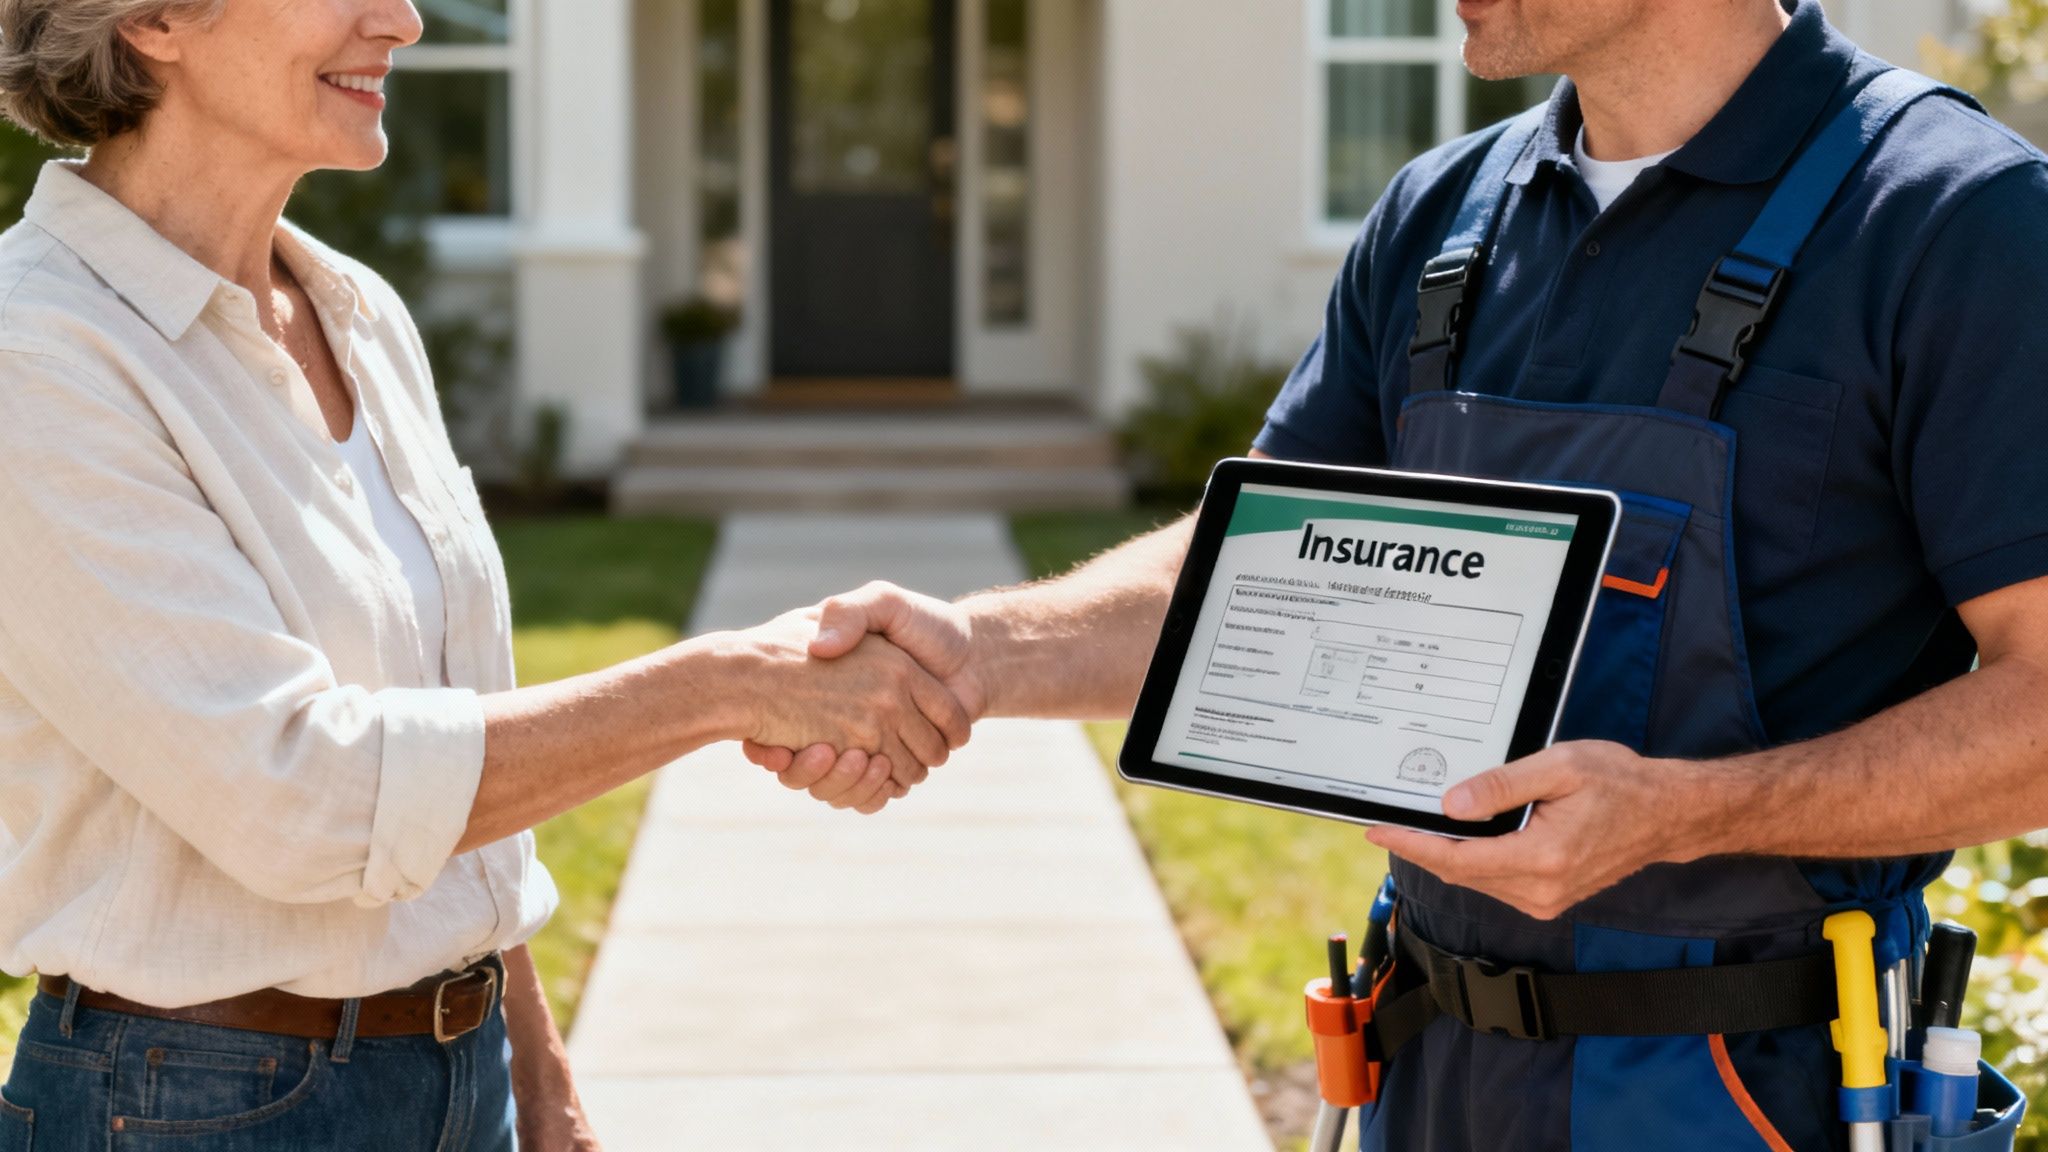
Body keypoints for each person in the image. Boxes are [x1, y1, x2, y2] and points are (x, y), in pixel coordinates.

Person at [755, 0, 2048, 1147]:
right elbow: (1257, 573)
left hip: (1750, 1087)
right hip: (1426, 1061)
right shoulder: (1446, 217)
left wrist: (1684, 812)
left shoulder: (1951, 222)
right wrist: (972, 655)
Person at [0, 2, 966, 1148]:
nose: (402, 20)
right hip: (193, 1105)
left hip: (463, 1077)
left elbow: (451, 739)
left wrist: (531, 1058)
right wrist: (723, 687)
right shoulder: (39, 352)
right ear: (154, 17)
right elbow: (304, 800)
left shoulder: (357, 314)